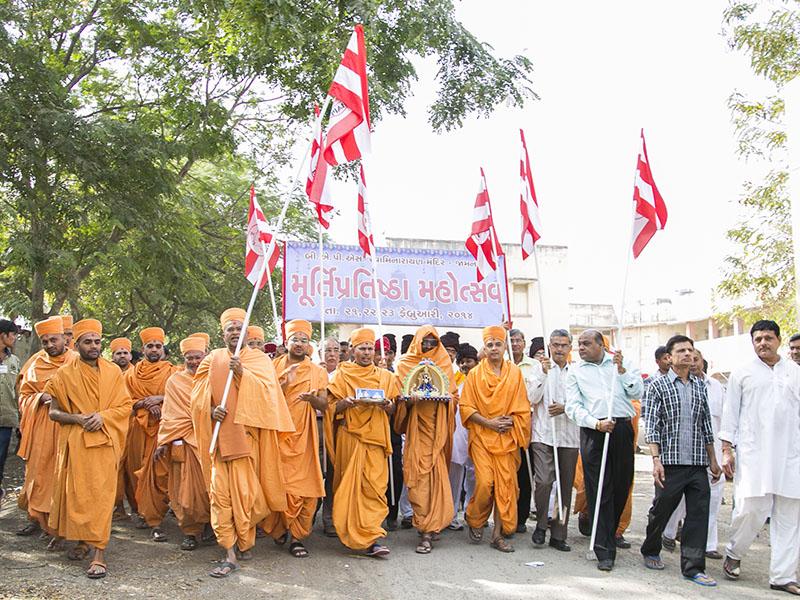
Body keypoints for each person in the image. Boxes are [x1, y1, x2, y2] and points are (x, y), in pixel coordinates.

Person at [191, 308, 294, 577]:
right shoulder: (212, 359)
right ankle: (229, 552)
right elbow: (197, 397)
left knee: (247, 497)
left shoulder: (259, 360)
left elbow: (270, 398)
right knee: (220, 498)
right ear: (222, 334)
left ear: (248, 333)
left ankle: (245, 540)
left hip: (249, 442)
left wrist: (242, 374)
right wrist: (210, 410)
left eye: (239, 328)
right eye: (230, 329)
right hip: (221, 439)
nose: (235, 333)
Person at [43, 318, 132, 578]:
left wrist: (103, 416)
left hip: (104, 443)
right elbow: (55, 414)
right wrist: (80, 419)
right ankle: (82, 541)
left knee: (102, 497)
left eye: (97, 342)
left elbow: (125, 407)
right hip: (76, 444)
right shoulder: (64, 375)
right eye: (87, 342)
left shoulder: (113, 372)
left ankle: (98, 553)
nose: (93, 346)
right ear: (76, 344)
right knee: (78, 496)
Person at [720, 320, 800, 594]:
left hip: (791, 455)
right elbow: (730, 414)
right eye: (757, 339)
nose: (763, 343)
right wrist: (726, 449)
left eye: (768, 338)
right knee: (750, 510)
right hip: (755, 454)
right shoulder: (742, 373)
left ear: (779, 340)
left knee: (790, 516)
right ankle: (735, 551)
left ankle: (783, 576)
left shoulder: (795, 372)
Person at [639, 335, 720, 586]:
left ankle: (693, 567)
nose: (688, 354)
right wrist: (656, 460)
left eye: (691, 350)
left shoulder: (700, 386)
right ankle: (651, 548)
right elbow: (652, 425)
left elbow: (706, 425)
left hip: (697, 463)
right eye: (681, 351)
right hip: (670, 463)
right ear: (669, 357)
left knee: (698, 514)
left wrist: (713, 460)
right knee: (662, 509)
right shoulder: (657, 386)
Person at [565, 329, 642, 571]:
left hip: (621, 429)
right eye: (579, 344)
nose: (582, 348)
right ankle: (604, 549)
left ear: (601, 345)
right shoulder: (575, 371)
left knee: (621, 486)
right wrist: (596, 423)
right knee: (599, 490)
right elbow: (573, 406)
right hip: (594, 431)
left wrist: (622, 372)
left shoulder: (621, 363)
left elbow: (637, 392)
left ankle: (609, 532)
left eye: (587, 343)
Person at [328, 327, 400, 557]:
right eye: (362, 348)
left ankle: (372, 537)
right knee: (349, 488)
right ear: (352, 350)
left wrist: (388, 405)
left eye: (370, 348)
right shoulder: (341, 375)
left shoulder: (386, 376)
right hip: (350, 436)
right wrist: (345, 403)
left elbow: (395, 408)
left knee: (375, 488)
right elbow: (332, 407)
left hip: (376, 439)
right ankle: (351, 534)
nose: (367, 353)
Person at [461, 326, 531, 553]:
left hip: (507, 438)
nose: (493, 348)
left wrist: (511, 422)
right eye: (489, 344)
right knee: (485, 483)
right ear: (484, 347)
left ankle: (497, 535)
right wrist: (489, 423)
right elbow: (466, 407)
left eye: (498, 344)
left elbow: (522, 407)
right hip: (482, 436)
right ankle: (475, 518)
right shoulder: (474, 375)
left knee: (506, 486)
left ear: (504, 347)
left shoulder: (515, 373)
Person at [263, 320, 328, 558]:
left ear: (308, 345)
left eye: (304, 340)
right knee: (278, 484)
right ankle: (279, 527)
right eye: (295, 340)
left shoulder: (317, 371)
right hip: (278, 435)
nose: (299, 344)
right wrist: (282, 384)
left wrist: (313, 401)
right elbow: (262, 399)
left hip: (305, 438)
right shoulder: (272, 367)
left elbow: (325, 404)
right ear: (286, 342)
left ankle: (297, 538)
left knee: (305, 489)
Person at [393, 326, 457, 554]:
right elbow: (399, 399)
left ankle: (429, 530)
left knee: (437, 480)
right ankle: (425, 525)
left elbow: (454, 395)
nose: (429, 346)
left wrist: (447, 398)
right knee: (418, 481)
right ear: (417, 342)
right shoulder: (405, 364)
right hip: (416, 432)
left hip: (438, 433)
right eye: (425, 342)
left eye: (433, 342)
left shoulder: (444, 363)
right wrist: (410, 401)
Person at [662, 349, 727, 558]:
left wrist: (725, 451)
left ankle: (708, 544)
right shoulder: (673, 385)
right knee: (677, 499)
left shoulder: (715, 387)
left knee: (712, 498)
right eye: (690, 358)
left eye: (697, 359)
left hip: (713, 449)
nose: (693, 362)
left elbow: (722, 421)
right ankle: (669, 532)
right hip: (684, 452)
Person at [16, 318, 73, 542]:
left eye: (54, 339)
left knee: (64, 475)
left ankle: (60, 526)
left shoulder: (77, 361)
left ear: (64, 339)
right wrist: (41, 397)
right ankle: (38, 519)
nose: (49, 344)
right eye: (45, 341)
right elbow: (23, 396)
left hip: (67, 425)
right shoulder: (34, 364)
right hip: (40, 426)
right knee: (38, 473)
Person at [154, 337, 211, 551]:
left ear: (205, 356)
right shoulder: (175, 381)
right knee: (185, 493)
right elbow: (168, 414)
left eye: (198, 357)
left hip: (208, 441)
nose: (195, 361)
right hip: (183, 442)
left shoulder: (212, 378)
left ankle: (207, 526)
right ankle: (189, 532)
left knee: (209, 489)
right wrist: (163, 441)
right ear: (183, 359)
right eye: (190, 358)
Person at [125, 327, 176, 539]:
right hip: (137, 428)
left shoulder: (173, 372)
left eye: (158, 346)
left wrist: (160, 399)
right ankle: (142, 513)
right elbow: (120, 401)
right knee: (136, 471)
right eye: (150, 346)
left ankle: (156, 520)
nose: (154, 349)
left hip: (163, 429)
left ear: (163, 349)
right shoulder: (130, 374)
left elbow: (182, 397)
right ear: (142, 349)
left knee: (159, 474)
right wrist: (144, 403)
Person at [531, 329, 579, 552]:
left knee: (565, 487)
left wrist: (565, 408)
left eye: (564, 345)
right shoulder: (538, 368)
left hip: (569, 436)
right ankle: (541, 525)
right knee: (543, 481)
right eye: (555, 345)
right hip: (543, 434)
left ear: (570, 348)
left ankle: (559, 533)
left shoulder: (577, 373)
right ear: (549, 346)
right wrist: (542, 373)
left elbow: (585, 403)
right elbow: (530, 397)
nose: (559, 349)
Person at [508, 328, 545, 534]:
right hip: (503, 426)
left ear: (524, 343)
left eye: (518, 340)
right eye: (511, 340)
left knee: (525, 473)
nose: (514, 344)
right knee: (505, 475)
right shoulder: (499, 363)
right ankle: (505, 516)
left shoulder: (535, 366)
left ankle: (520, 518)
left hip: (527, 425)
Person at [448, 343, 478, 531]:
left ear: (476, 362)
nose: (465, 365)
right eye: (462, 362)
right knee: (454, 475)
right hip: (458, 431)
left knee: (475, 475)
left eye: (469, 361)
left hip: (478, 431)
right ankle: (450, 516)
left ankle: (472, 514)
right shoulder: (454, 380)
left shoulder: (481, 380)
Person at [317, 336, 339, 536]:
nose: (331, 354)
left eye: (335, 350)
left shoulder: (345, 374)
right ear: (318, 353)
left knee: (333, 474)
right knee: (313, 473)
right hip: (313, 426)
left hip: (336, 427)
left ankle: (330, 519)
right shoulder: (312, 371)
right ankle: (308, 515)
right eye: (327, 350)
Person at [0, 319, 20, 506]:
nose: (15, 338)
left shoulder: (14, 361)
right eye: (13, 334)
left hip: (6, 419)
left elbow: (18, 392)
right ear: (3, 335)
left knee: (0, 459)